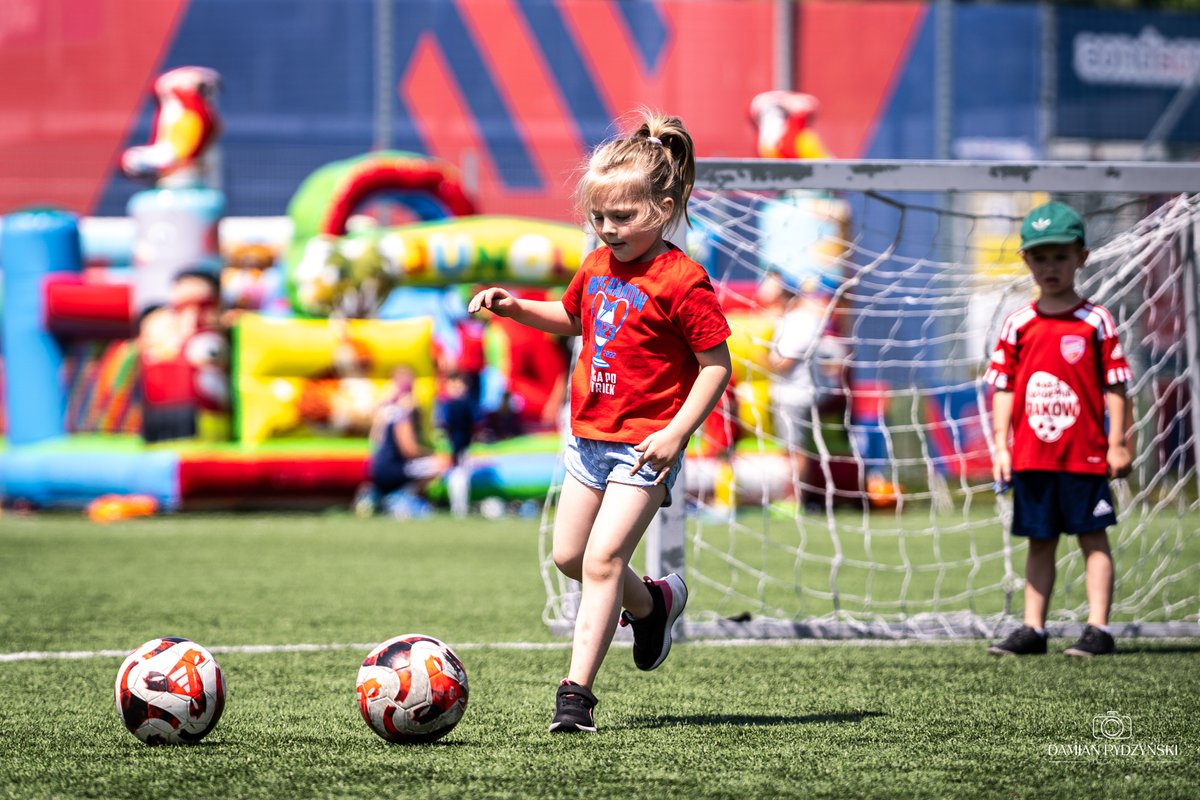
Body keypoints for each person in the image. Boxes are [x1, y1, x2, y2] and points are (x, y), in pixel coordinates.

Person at [468, 112, 732, 732]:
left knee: (604, 559)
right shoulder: (594, 267)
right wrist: (512, 307)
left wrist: (675, 433)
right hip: (587, 441)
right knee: (570, 556)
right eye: (599, 218)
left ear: (663, 208)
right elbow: (571, 318)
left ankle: (575, 696)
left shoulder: (683, 280)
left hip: (645, 448)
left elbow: (716, 367)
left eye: (623, 218)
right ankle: (653, 605)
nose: (608, 230)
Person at [984, 201, 1133, 657]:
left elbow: (1116, 386)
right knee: (1039, 541)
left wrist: (1117, 443)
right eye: (1041, 257)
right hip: (1032, 456)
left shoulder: (1096, 321)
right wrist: (1002, 448)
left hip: (1084, 455)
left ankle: (1099, 628)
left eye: (1061, 256)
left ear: (1081, 257)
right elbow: (1004, 388)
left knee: (1093, 538)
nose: (1051, 267)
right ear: (1026, 261)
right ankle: (1034, 628)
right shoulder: (1018, 323)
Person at [767, 273, 846, 508]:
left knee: (795, 450)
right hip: (797, 393)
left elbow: (784, 362)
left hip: (795, 395)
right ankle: (794, 498)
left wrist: (764, 356)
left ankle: (795, 500)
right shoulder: (798, 319)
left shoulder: (800, 321)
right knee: (791, 449)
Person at [354, 367, 446, 519]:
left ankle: (375, 497)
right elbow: (409, 449)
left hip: (376, 469)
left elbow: (374, 443)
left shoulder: (384, 412)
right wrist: (431, 453)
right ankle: (402, 497)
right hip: (393, 469)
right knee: (441, 463)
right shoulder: (403, 413)